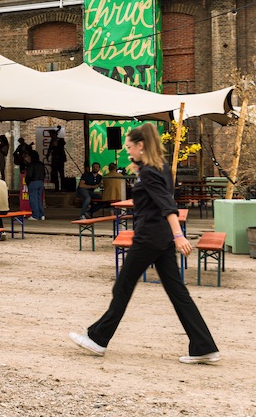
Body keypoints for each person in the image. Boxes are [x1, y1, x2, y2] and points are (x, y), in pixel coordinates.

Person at [70, 124, 220, 364]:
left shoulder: (150, 172)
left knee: (123, 287)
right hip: (159, 239)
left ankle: (98, 339)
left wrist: (179, 235)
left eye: (130, 147)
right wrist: (138, 169)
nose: (128, 151)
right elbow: (160, 198)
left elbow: (165, 204)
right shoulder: (159, 168)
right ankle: (204, 346)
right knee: (177, 292)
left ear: (141, 145)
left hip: (149, 237)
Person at [25, 150, 47, 220]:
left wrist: (27, 181)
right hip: (40, 182)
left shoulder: (32, 164)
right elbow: (44, 173)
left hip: (33, 182)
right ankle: (41, 214)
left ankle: (35, 215)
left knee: (33, 199)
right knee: (39, 199)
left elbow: (29, 175)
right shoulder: (41, 164)